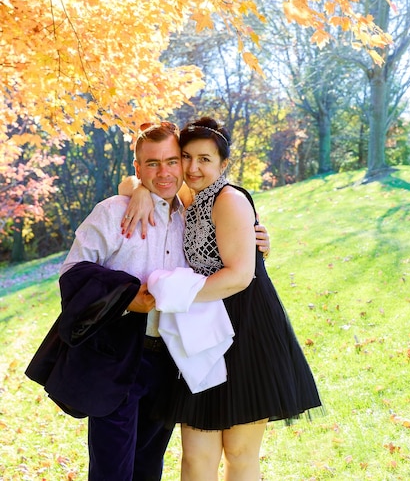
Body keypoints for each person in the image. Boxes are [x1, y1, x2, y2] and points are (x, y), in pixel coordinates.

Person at [26, 121, 270, 481]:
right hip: (118, 358)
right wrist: (128, 298)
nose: (166, 171)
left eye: (172, 161)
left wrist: (259, 239)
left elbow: (227, 247)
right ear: (137, 169)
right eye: (152, 164)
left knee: (148, 466)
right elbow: (73, 274)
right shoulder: (112, 212)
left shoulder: (189, 214)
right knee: (113, 471)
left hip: (170, 359)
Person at [122, 117, 323, 481]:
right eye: (186, 157)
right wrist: (138, 188)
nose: (193, 167)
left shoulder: (230, 199)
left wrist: (173, 295)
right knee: (196, 456)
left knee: (239, 452)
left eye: (205, 159)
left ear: (222, 164)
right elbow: (137, 177)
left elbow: (241, 276)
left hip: (246, 330)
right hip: (203, 329)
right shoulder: (189, 196)